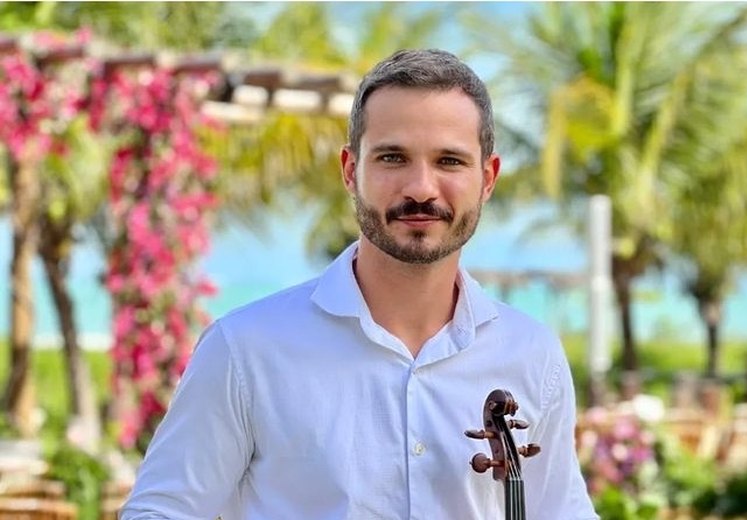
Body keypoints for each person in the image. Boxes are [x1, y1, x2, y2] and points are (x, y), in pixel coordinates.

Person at [121, 49, 598, 520]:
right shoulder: (245, 349)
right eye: (393, 157)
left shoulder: (532, 354)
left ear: (487, 178)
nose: (421, 188)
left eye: (450, 161)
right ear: (351, 171)